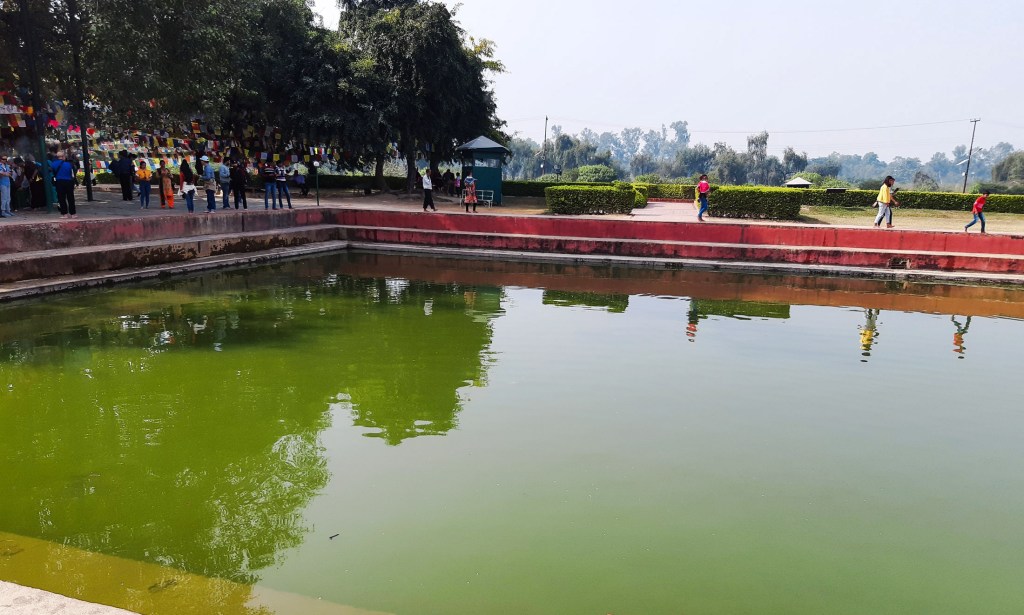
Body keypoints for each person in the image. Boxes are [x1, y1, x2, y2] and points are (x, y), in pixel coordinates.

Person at [50, 150, 77, 218]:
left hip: (59, 182)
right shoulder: (69, 164)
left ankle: (64, 214)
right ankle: (73, 214)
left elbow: (52, 172)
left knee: (61, 198)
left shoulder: (53, 164)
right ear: (64, 156)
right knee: (70, 198)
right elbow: (72, 174)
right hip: (69, 181)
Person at [0, 153, 12, 218]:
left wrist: (5, 173)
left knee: (8, 197)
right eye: (3, 159)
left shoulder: (6, 165)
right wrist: (5, 173)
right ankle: (3, 211)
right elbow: (1, 173)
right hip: (2, 183)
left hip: (8, 182)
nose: (5, 160)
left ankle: (8, 210)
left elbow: (9, 173)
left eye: (6, 159)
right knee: (4, 197)